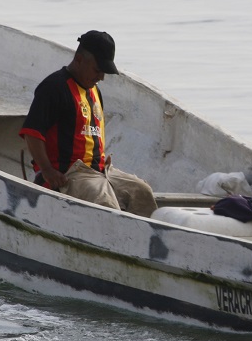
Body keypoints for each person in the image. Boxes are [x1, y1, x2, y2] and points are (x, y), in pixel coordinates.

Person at [19, 30, 157, 218]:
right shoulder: (54, 87)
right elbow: (32, 133)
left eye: (104, 72)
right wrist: (48, 171)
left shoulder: (94, 91)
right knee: (104, 203)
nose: (101, 77)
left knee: (142, 192)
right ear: (79, 59)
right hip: (70, 172)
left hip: (101, 171)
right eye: (97, 70)